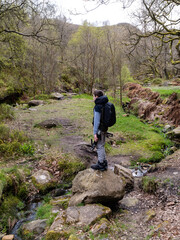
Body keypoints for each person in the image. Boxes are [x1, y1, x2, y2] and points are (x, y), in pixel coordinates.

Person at [91, 90, 108, 171]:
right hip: (104, 128)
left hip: (99, 129)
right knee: (102, 145)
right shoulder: (105, 103)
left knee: (99, 146)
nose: (93, 98)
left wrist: (95, 133)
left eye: (93, 96)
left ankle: (100, 163)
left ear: (97, 96)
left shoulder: (98, 106)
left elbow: (96, 121)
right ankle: (104, 162)